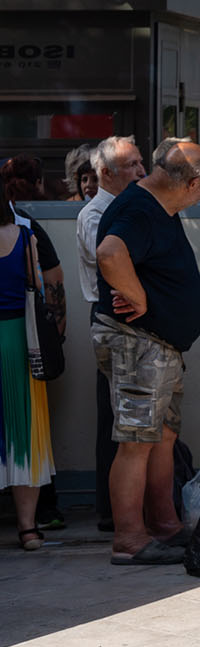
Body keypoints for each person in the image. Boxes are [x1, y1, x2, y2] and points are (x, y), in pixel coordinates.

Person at [93, 138, 200, 566]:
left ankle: (163, 526)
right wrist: (139, 298)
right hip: (138, 344)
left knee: (161, 437)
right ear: (193, 182)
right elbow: (109, 252)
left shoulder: (157, 206)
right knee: (136, 441)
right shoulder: (138, 208)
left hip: (159, 347)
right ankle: (129, 538)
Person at [78, 135, 143, 532]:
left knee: (139, 421)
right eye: (132, 165)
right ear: (105, 174)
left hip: (137, 318)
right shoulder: (93, 215)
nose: (142, 172)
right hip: (113, 318)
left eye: (140, 162)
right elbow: (115, 266)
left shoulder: (133, 208)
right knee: (117, 418)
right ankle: (111, 512)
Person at [3, 187, 61, 551]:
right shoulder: (24, 235)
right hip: (20, 342)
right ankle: (27, 528)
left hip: (12, 339)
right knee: (25, 434)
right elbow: (40, 287)